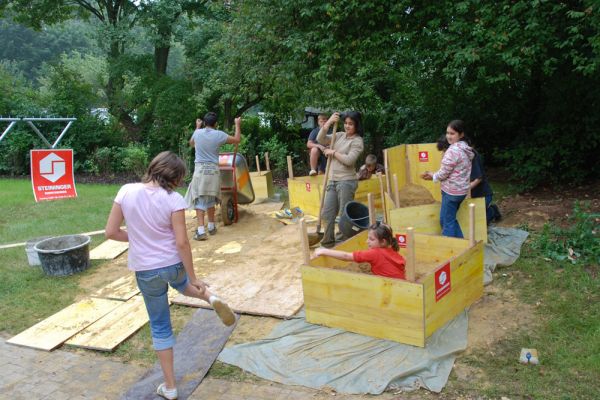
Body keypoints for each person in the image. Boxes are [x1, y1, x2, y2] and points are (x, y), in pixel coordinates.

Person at [105, 151, 235, 400]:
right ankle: (209, 296)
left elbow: (110, 232)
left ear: (154, 167)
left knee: (160, 325)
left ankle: (170, 387)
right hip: (171, 264)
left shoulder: (125, 191)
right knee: (182, 283)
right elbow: (182, 243)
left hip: (145, 269)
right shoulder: (174, 199)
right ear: (175, 178)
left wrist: (139, 238)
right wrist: (194, 277)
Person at [184, 112, 241, 240]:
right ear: (216, 124)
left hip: (200, 170)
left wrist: (197, 127)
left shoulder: (198, 133)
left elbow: (191, 143)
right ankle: (211, 227)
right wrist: (237, 124)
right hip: (214, 171)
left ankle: (200, 231)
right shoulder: (219, 134)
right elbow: (237, 140)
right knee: (211, 197)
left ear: (204, 123)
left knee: (199, 199)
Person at [316, 111, 364, 248]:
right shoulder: (339, 135)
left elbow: (349, 160)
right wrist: (329, 122)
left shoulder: (357, 141)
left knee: (344, 216)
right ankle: (327, 242)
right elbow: (320, 139)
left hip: (347, 181)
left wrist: (333, 153)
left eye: (351, 124)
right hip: (332, 180)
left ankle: (342, 244)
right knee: (327, 213)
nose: (347, 126)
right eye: (346, 123)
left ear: (357, 126)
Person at [421, 120, 474, 238]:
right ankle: (462, 244)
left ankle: (448, 248)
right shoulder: (464, 147)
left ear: (461, 134)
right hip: (461, 191)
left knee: (446, 223)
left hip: (451, 192)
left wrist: (433, 176)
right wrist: (434, 175)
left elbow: (444, 173)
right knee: (449, 219)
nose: (449, 136)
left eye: (452, 133)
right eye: (447, 133)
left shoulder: (453, 151)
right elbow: (451, 171)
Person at [437, 136, 501, 224]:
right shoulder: (454, 157)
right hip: (466, 194)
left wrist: (462, 190)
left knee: (477, 223)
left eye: (445, 150)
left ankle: (492, 211)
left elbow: (478, 179)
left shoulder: (470, 155)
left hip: (481, 195)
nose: (444, 154)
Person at [314, 222, 406, 279]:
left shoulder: (375, 253)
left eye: (371, 239)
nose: (367, 241)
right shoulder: (393, 249)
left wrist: (324, 251)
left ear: (383, 242)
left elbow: (346, 256)